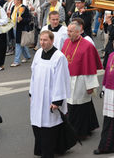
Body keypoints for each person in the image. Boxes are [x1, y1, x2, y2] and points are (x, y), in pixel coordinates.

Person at [30, 30, 72, 158]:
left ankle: (48, 153)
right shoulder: (38, 53)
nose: (42, 43)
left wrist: (57, 101)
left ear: (52, 41)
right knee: (37, 124)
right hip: (37, 96)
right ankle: (41, 149)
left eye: (45, 40)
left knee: (50, 127)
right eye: (41, 40)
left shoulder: (59, 57)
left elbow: (61, 79)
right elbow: (33, 75)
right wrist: (31, 93)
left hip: (50, 98)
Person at [62, 21, 102, 139]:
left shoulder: (87, 46)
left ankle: (79, 132)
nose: (68, 33)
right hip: (67, 79)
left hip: (80, 80)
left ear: (79, 32)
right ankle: (87, 126)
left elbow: (90, 67)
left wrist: (91, 86)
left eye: (71, 31)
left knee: (79, 106)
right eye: (68, 31)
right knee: (70, 104)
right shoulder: (66, 42)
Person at [10, 0, 31, 67]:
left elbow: (28, 19)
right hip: (14, 27)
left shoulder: (24, 8)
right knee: (22, 43)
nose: (14, 1)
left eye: (15, 0)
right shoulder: (13, 7)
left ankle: (16, 61)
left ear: (19, 0)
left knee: (18, 43)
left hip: (21, 29)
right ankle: (27, 56)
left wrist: (22, 19)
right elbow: (12, 17)